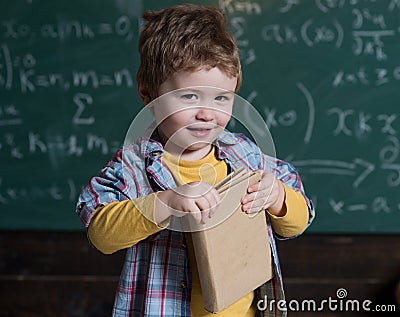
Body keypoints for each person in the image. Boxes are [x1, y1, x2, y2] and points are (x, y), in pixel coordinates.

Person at [76, 4, 315, 317]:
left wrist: (278, 196)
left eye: (221, 99)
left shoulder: (246, 155)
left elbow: (298, 222)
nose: (207, 112)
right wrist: (165, 202)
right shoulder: (132, 166)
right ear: (148, 95)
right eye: (189, 97)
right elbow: (100, 232)